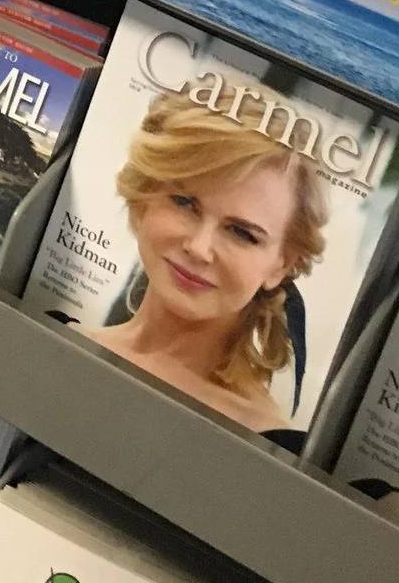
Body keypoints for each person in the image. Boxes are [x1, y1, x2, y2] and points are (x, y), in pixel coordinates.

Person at [93, 92, 330, 436]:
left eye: (241, 233)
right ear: (145, 195)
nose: (199, 248)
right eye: (184, 202)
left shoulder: (271, 446)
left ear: (281, 264)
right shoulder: (54, 333)